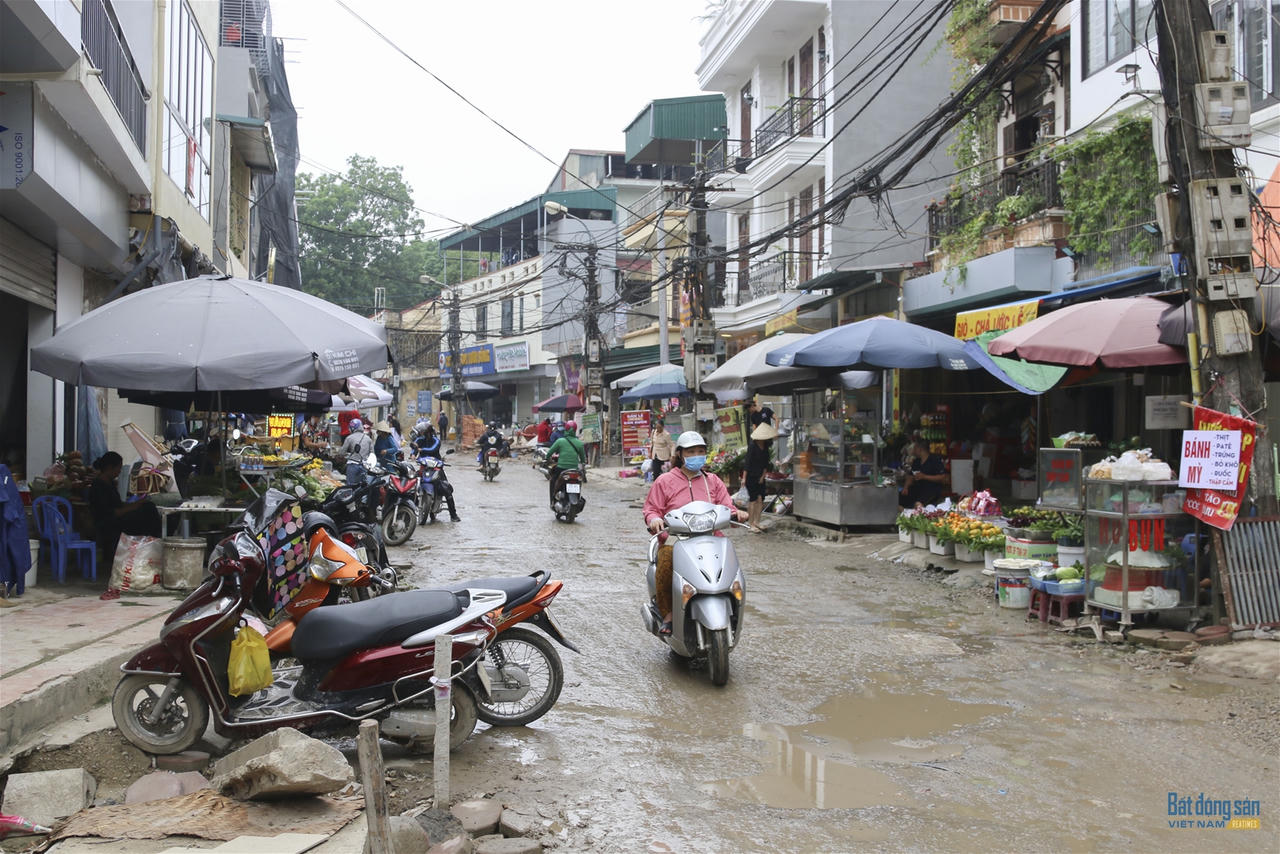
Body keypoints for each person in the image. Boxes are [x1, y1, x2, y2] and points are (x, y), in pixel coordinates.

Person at [643, 431, 746, 634]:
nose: (696, 455)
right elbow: (652, 509)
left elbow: (727, 506)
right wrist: (654, 519)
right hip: (676, 539)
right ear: (680, 454)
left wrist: (737, 514)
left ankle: (734, 609)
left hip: (711, 537)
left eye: (700, 451)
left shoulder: (713, 481)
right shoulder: (665, 480)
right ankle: (668, 614)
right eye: (691, 452)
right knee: (665, 563)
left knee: (732, 568)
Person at [87, 452, 164, 584]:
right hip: (109, 523)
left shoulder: (110, 483)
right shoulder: (98, 487)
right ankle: (152, 548)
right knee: (148, 514)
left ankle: (154, 547)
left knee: (148, 508)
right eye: (118, 468)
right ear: (110, 467)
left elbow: (119, 505)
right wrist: (134, 506)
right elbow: (111, 513)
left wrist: (137, 504)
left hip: (117, 518)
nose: (119, 472)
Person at [412, 424, 460, 521]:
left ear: (428, 432)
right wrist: (413, 453)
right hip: (424, 466)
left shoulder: (436, 440)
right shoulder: (420, 439)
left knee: (446, 489)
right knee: (412, 484)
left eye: (424, 432)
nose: (422, 433)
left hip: (436, 467)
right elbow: (415, 446)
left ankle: (453, 514)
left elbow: (433, 449)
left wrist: (422, 449)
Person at [744, 421, 778, 532]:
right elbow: (747, 463)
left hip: (760, 477)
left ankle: (757, 522)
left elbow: (765, 464)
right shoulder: (752, 446)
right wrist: (744, 478)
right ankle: (751, 524)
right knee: (753, 500)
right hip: (751, 476)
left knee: (760, 499)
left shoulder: (766, 448)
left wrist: (763, 476)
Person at [899, 439, 948, 508]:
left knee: (918, 503)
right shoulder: (916, 461)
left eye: (915, 448)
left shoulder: (935, 460)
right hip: (917, 488)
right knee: (899, 498)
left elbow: (942, 477)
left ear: (920, 449)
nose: (913, 450)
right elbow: (910, 476)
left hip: (931, 490)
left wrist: (924, 476)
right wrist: (906, 487)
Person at [546, 420, 585, 505]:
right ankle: (577, 498)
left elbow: (550, 452)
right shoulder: (579, 443)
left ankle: (552, 500)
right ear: (575, 430)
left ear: (566, 429)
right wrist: (583, 464)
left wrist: (546, 458)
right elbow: (583, 459)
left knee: (553, 480)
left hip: (561, 468)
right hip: (574, 469)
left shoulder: (560, 441)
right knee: (578, 482)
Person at [339, 418, 373, 485]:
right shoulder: (368, 439)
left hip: (352, 465)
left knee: (350, 486)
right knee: (362, 486)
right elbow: (372, 454)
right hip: (364, 466)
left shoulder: (349, 438)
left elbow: (341, 453)